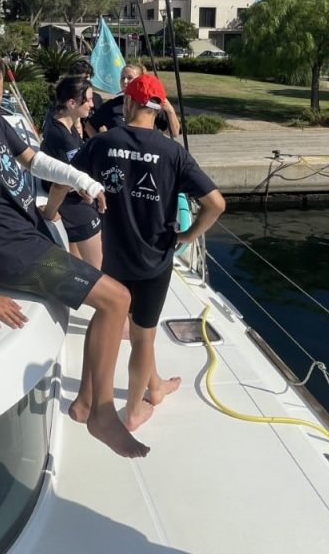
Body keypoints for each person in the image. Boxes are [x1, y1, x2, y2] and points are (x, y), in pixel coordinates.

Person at [0, 46, 149, 458]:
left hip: (29, 233)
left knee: (117, 299)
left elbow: (33, 160)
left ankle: (88, 402)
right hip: (13, 253)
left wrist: (82, 181)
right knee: (117, 300)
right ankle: (100, 414)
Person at [72, 74, 225, 431]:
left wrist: (67, 205)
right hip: (154, 261)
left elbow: (68, 177)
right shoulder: (174, 153)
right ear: (158, 110)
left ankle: (88, 400)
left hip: (114, 259)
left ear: (127, 104)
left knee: (103, 325)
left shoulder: (104, 143)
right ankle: (134, 410)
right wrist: (187, 235)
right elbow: (216, 204)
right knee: (143, 337)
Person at [40, 75, 103, 269]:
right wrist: (50, 214)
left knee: (77, 266)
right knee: (98, 269)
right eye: (89, 99)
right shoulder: (62, 138)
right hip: (73, 206)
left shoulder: (63, 126)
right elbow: (62, 182)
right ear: (72, 103)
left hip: (71, 201)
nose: (92, 104)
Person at [86, 64, 180, 139]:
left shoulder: (151, 105)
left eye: (130, 78)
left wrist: (170, 110)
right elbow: (89, 125)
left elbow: (174, 133)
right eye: (122, 78)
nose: (125, 81)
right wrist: (100, 143)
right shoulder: (111, 106)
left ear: (141, 80)